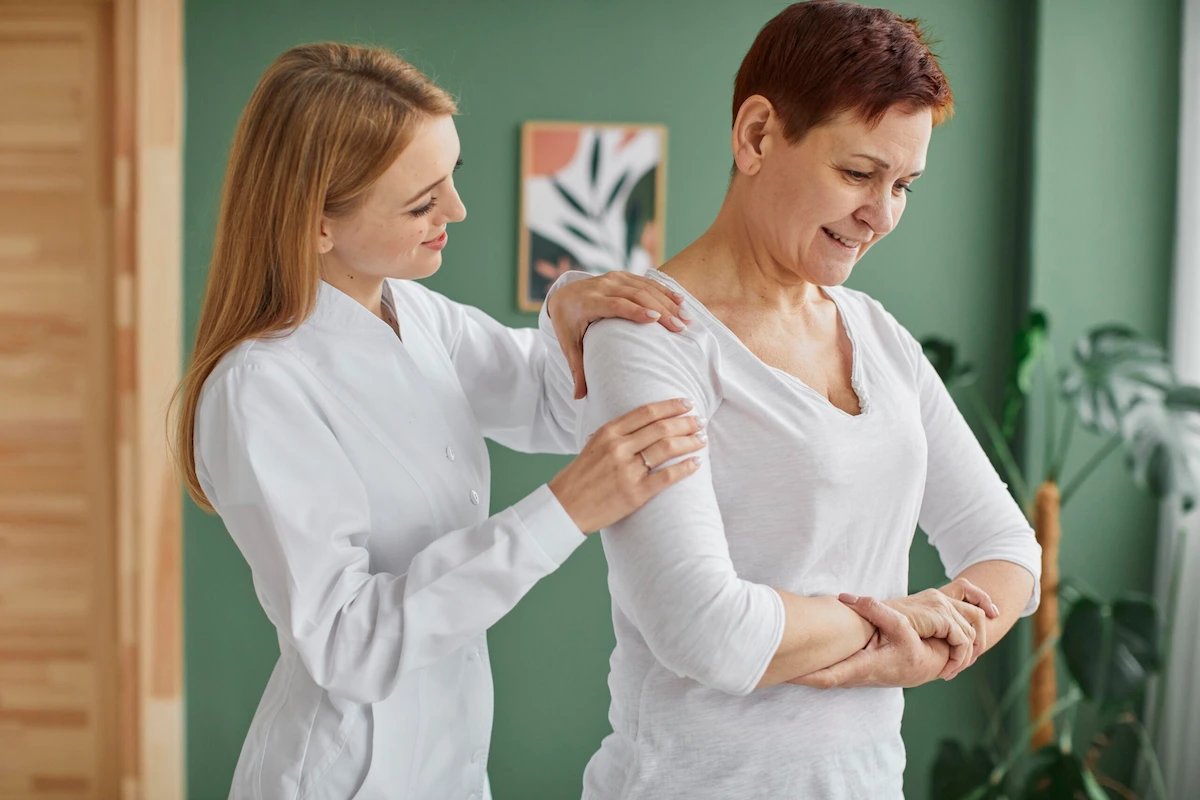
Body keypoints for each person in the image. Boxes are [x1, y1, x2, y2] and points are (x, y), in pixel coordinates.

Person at [171, 43, 708, 800]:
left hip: (449, 765)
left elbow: (553, 403)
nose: (456, 210)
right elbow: (346, 644)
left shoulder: (413, 312)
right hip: (346, 776)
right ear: (318, 223)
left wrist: (568, 309)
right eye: (422, 203)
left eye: (453, 175)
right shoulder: (260, 389)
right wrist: (565, 510)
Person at [538, 2, 1043, 797]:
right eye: (858, 174)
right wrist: (902, 619)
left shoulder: (877, 334)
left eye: (904, 185)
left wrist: (931, 649)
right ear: (756, 136)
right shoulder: (649, 338)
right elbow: (704, 630)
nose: (882, 215)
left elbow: (1007, 548)